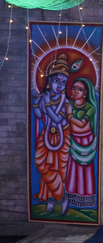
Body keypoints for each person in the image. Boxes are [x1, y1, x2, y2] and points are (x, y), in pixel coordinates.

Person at [32, 54, 73, 213]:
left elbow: (56, 118)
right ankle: (62, 197)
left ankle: (51, 201)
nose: (59, 85)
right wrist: (36, 105)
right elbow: (38, 115)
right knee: (42, 162)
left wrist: (47, 102)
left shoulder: (66, 103)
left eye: (63, 83)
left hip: (62, 135)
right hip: (46, 135)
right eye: (56, 81)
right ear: (49, 81)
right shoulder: (44, 98)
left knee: (58, 169)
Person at [64, 77, 98, 215]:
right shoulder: (69, 104)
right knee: (73, 171)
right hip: (74, 141)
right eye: (74, 88)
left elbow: (82, 123)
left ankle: (86, 201)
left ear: (85, 92)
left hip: (86, 143)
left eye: (80, 89)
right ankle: (72, 200)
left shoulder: (90, 107)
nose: (76, 91)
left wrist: (70, 115)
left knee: (86, 172)